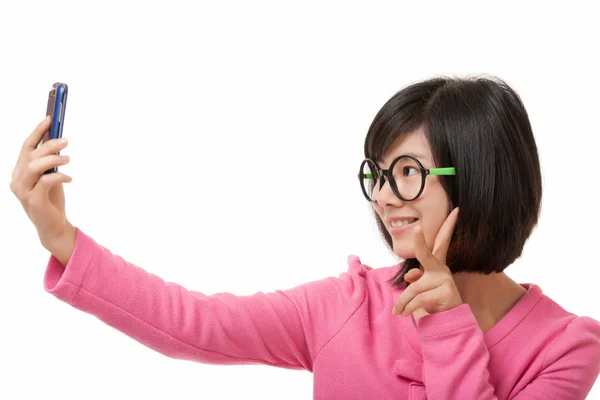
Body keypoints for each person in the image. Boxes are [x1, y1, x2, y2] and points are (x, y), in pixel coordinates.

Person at [10, 75, 600, 399]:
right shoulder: (347, 305)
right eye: (377, 173)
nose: (384, 195)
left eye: (408, 173)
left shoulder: (565, 346)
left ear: (480, 177)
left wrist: (446, 323)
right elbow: (193, 321)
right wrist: (60, 235)